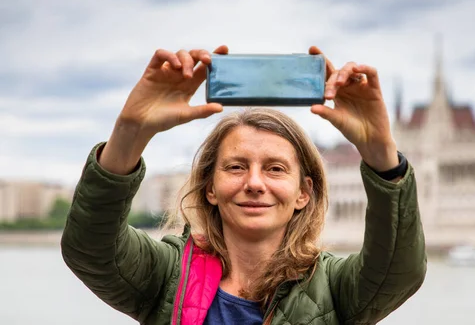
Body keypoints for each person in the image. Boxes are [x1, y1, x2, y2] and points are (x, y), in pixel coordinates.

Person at [61, 45, 427, 325]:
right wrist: (130, 131)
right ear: (210, 188)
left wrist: (381, 154)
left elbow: (399, 271)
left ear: (304, 193)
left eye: (275, 169)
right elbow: (91, 249)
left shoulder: (333, 285)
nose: (254, 183)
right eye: (236, 167)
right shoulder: (167, 274)